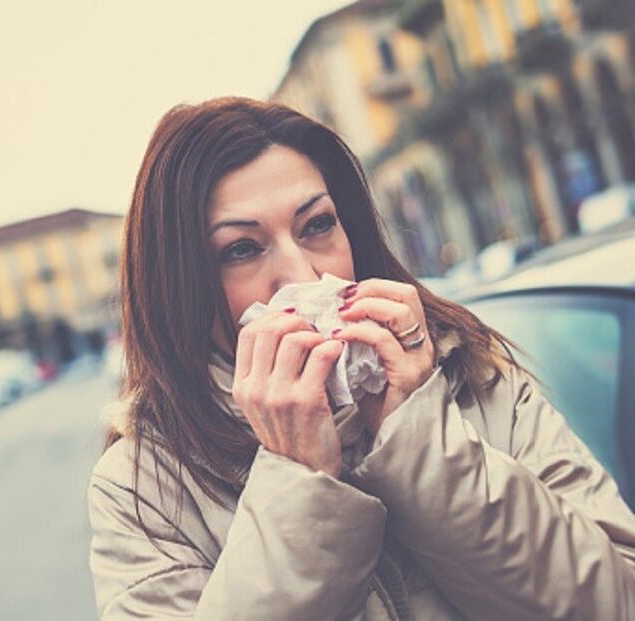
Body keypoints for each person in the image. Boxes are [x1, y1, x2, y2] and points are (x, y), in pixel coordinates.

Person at [86, 97, 635, 620]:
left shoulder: (472, 375)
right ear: (181, 287)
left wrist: (419, 439)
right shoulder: (142, 489)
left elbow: (616, 601)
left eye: (318, 224)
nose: (305, 276)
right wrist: (298, 480)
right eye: (241, 249)